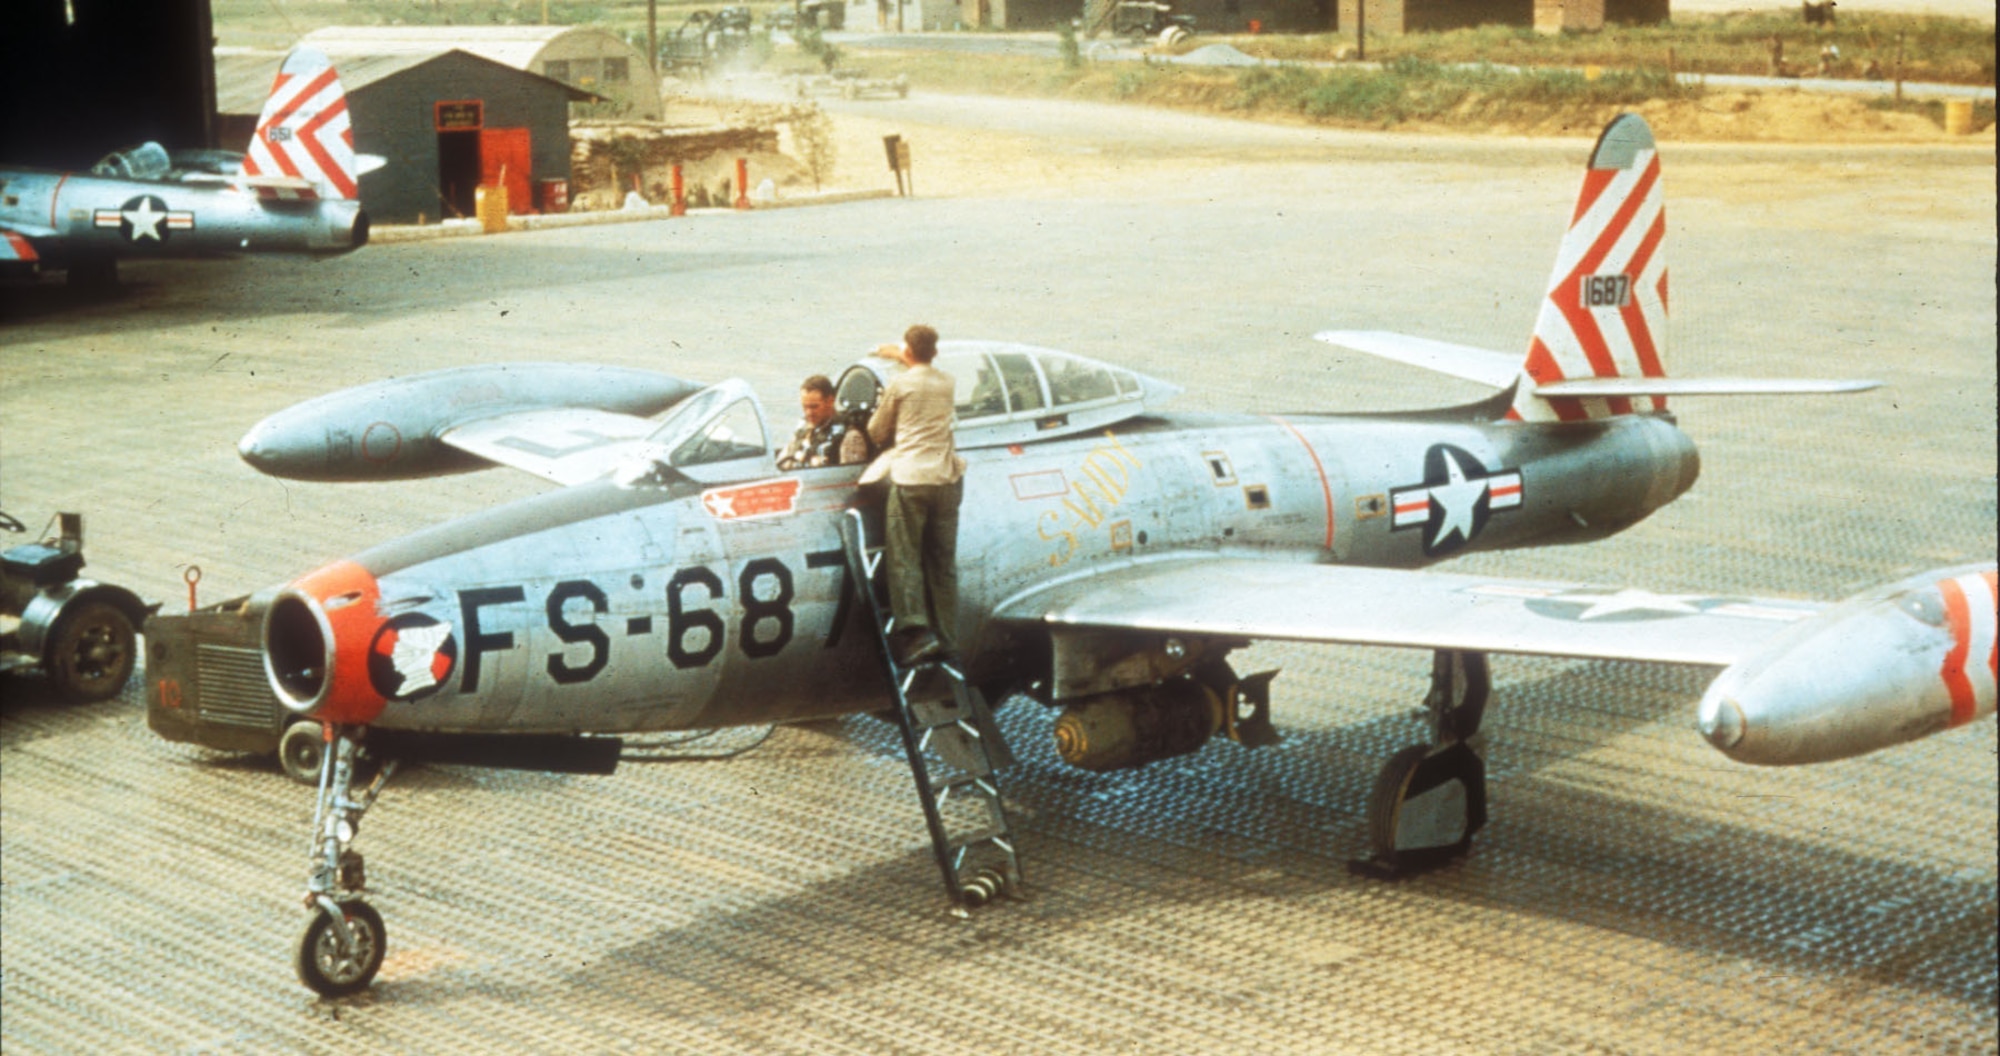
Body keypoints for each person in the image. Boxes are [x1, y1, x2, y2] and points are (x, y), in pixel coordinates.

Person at [864, 325, 964, 666]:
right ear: (934, 352)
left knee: (904, 555)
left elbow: (877, 430)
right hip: (947, 480)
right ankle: (949, 639)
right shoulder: (947, 382)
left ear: (908, 351)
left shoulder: (900, 384)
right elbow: (922, 370)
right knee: (942, 562)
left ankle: (916, 632)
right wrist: (899, 353)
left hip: (910, 481)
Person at [777, 375, 869, 470]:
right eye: (805, 407)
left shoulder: (849, 437)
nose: (809, 413)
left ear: (830, 401)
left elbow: (848, 478)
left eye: (814, 407)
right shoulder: (803, 429)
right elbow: (782, 464)